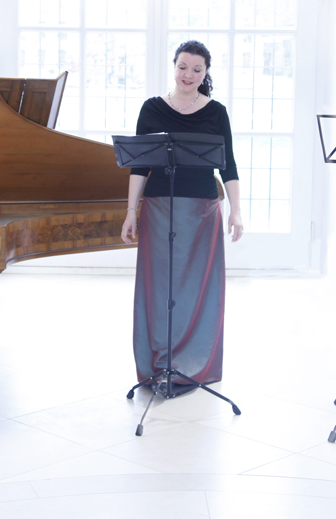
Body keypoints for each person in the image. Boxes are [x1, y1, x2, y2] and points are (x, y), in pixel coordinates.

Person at [121, 40, 243, 388]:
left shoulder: (216, 112)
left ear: (205, 73)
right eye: (183, 67)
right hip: (159, 208)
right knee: (160, 289)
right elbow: (139, 165)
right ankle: (158, 364)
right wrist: (131, 211)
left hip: (203, 211)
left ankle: (192, 365)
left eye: (197, 69)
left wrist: (236, 211)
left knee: (195, 289)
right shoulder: (152, 109)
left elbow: (229, 165)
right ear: (173, 66)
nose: (188, 74)